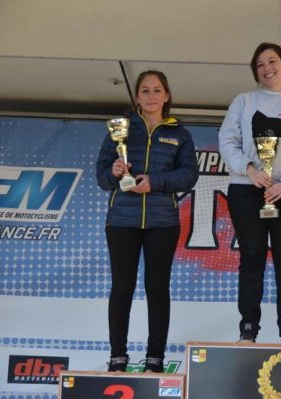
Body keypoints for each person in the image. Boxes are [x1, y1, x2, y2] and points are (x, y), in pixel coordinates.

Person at [218, 42, 281, 344]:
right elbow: (227, 140)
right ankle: (248, 329)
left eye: (272, 61)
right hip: (246, 190)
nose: (267, 68)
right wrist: (248, 169)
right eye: (260, 64)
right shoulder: (244, 101)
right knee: (251, 258)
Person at [96, 70, 199, 372]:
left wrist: (155, 181)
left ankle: (155, 358)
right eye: (145, 90)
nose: (151, 96)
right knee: (122, 287)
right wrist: (115, 172)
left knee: (157, 287)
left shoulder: (180, 133)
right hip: (122, 220)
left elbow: (190, 174)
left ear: (166, 95)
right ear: (136, 97)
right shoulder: (121, 129)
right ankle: (118, 358)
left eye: (157, 90)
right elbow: (102, 176)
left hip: (162, 221)